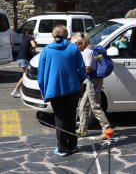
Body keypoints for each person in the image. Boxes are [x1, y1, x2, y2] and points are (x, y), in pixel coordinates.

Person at [37, 25, 86, 156]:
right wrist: (80, 82)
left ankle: (62, 148)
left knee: (59, 118)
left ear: (53, 36)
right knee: (71, 117)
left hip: (54, 89)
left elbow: (40, 74)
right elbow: (81, 69)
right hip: (72, 88)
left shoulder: (46, 50)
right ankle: (72, 146)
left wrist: (42, 89)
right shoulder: (74, 48)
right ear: (67, 35)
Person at [73, 32, 111, 141]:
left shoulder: (87, 52)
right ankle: (82, 129)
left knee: (96, 107)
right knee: (83, 105)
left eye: (77, 43)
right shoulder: (93, 49)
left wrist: (77, 73)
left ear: (82, 42)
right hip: (96, 81)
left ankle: (107, 131)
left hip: (93, 82)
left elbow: (88, 68)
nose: (76, 46)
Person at [11, 29, 36, 98]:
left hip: (20, 58)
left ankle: (21, 91)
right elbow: (33, 45)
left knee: (26, 75)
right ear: (31, 34)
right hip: (23, 59)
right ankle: (15, 91)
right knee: (26, 75)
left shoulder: (24, 39)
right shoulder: (30, 37)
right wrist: (32, 47)